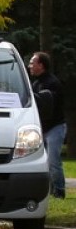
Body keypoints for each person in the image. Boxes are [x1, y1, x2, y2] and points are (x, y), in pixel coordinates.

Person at [28, 51, 66, 199]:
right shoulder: (36, 83)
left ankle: (59, 191)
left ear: (41, 65)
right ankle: (46, 192)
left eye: (32, 63)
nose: (30, 66)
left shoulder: (52, 83)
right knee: (40, 162)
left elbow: (47, 105)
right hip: (41, 128)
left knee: (53, 161)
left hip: (55, 127)